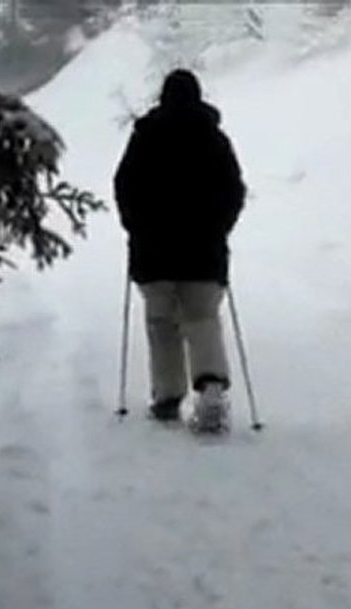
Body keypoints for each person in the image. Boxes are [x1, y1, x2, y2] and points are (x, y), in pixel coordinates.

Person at [114, 69, 246, 431]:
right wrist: (219, 227)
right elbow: (234, 190)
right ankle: (211, 387)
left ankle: (168, 396)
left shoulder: (145, 137)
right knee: (202, 319)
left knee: (162, 324)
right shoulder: (215, 139)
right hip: (204, 252)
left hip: (153, 252)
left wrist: (135, 226)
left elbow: (125, 186)